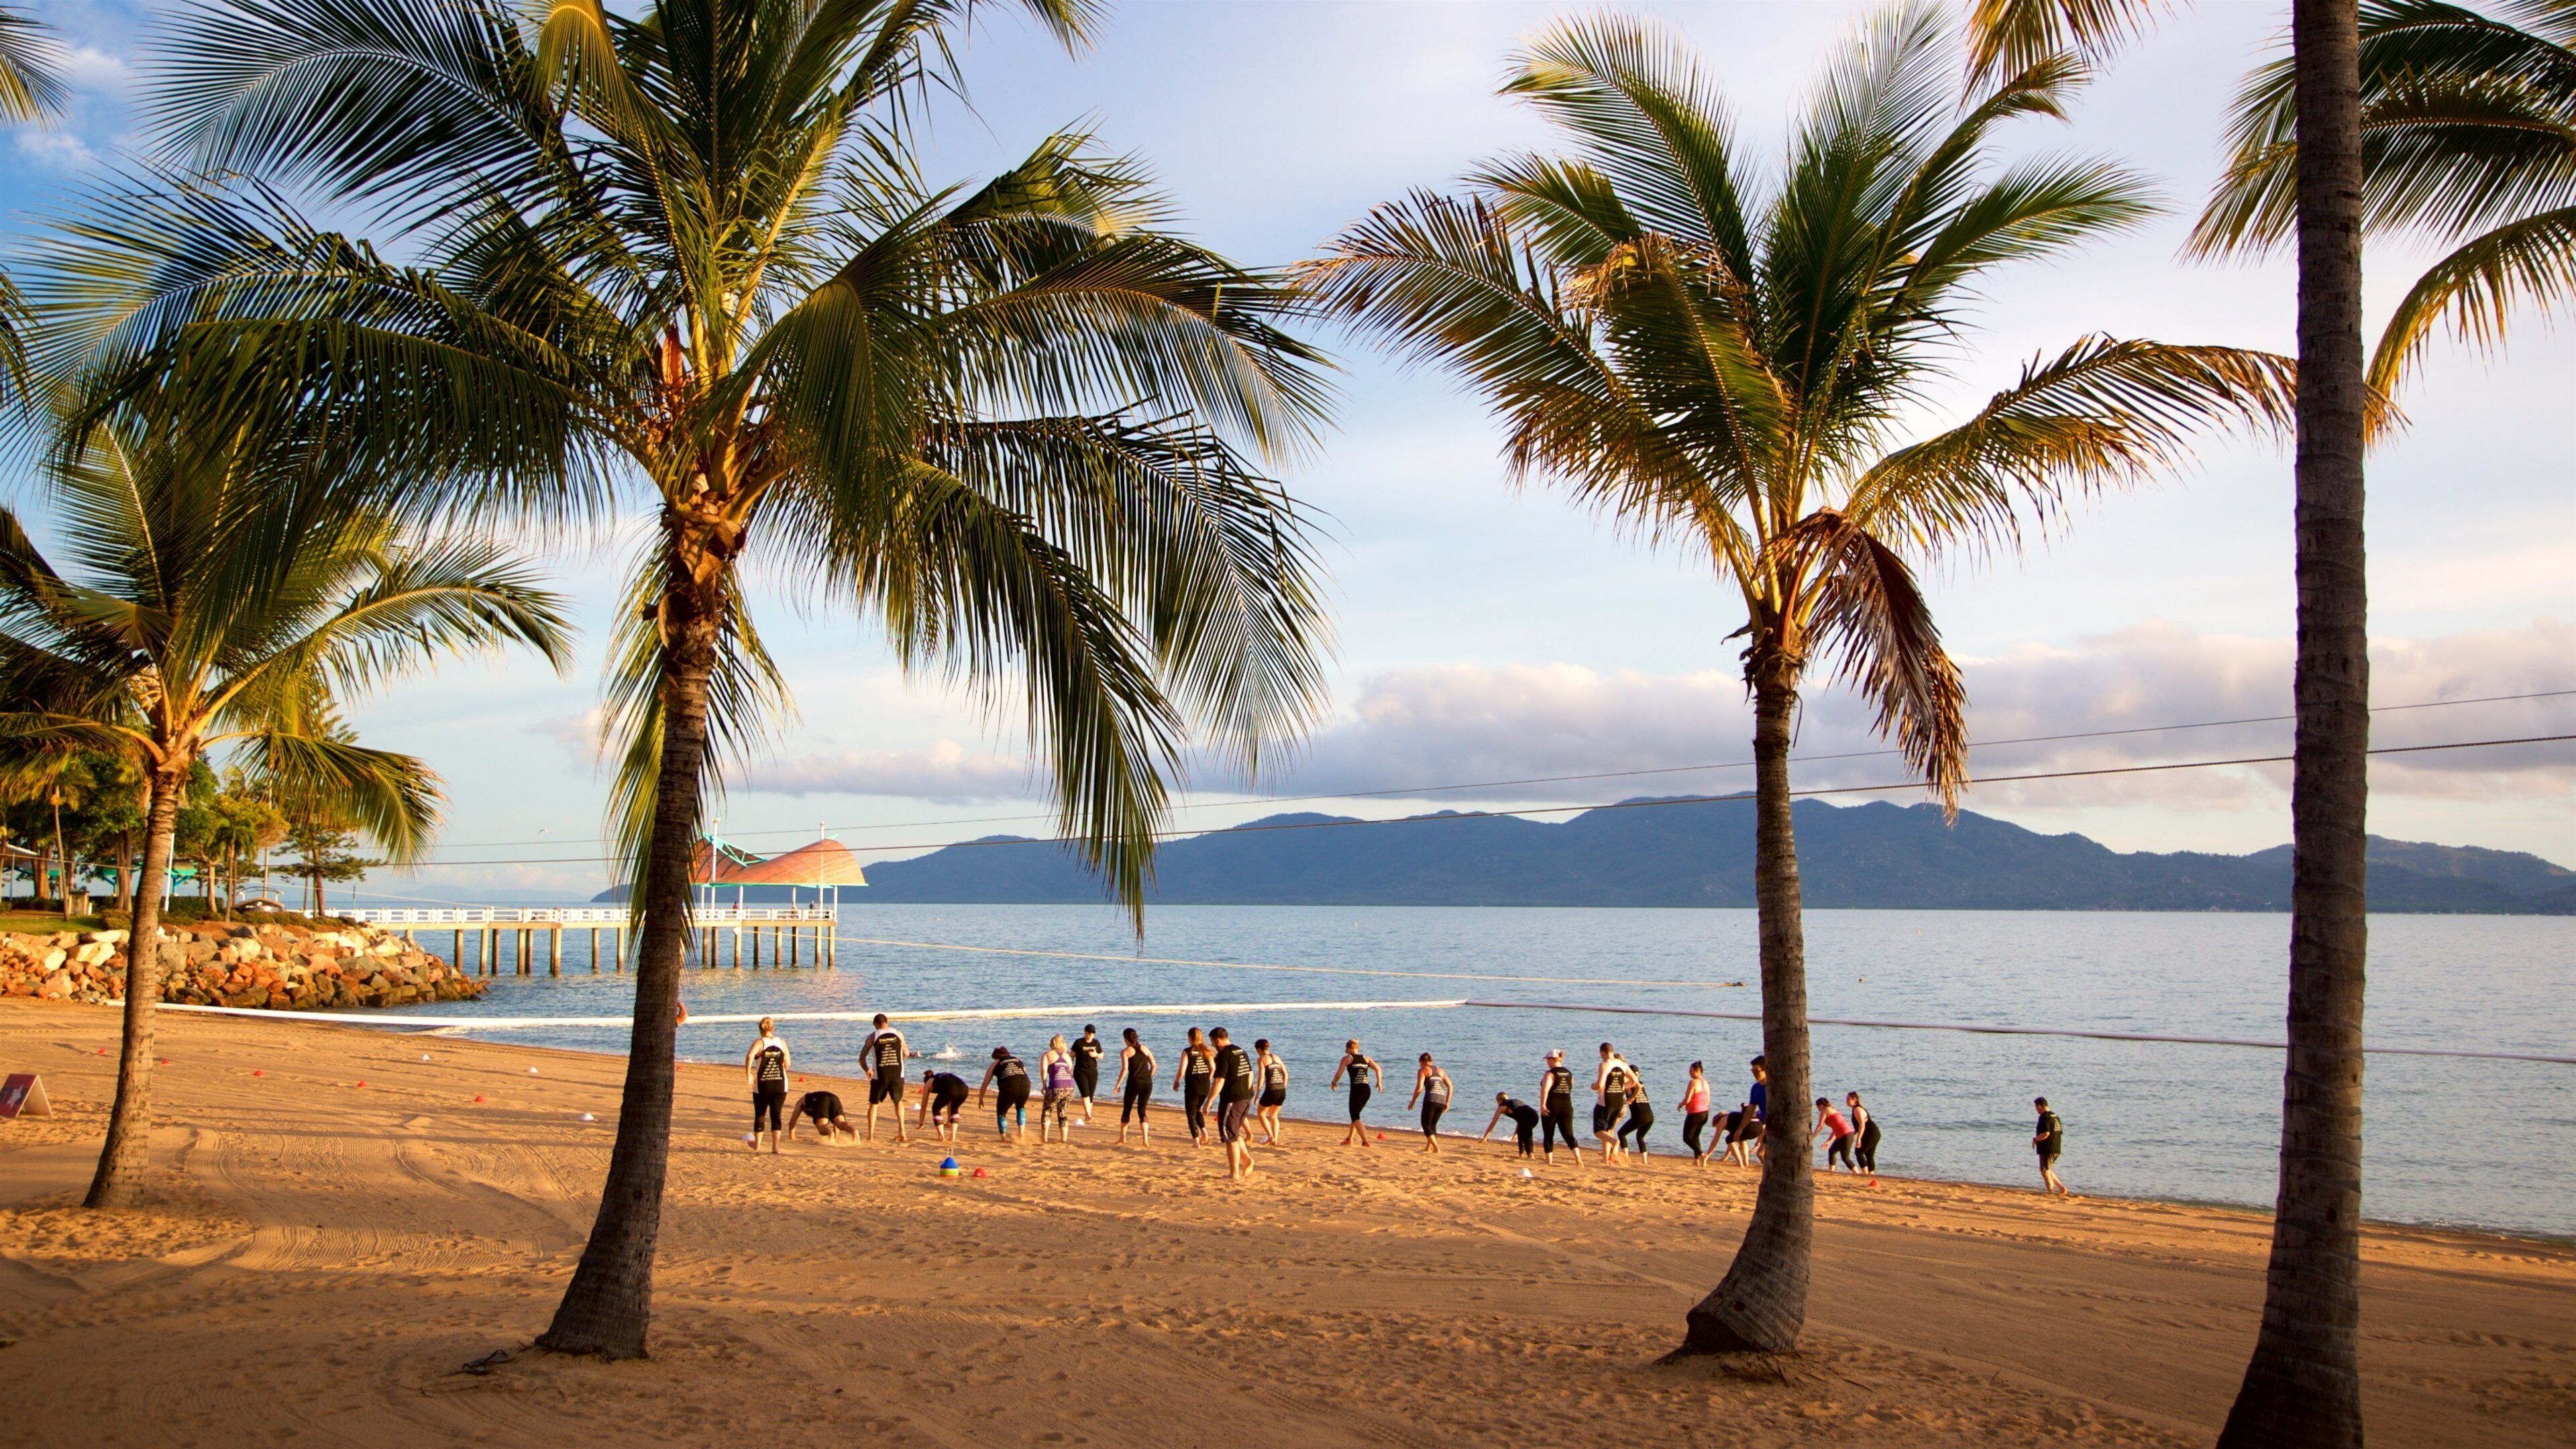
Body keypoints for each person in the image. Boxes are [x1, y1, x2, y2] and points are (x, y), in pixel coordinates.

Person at [1209, 1027, 1258, 1181]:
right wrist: (1249, 1092)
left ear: (1217, 1040)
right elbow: (1251, 1074)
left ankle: (1234, 1174)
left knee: (1229, 1136)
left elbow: (1219, 1080)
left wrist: (1209, 1101)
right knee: (1234, 1132)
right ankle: (1247, 1159)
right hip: (1245, 1097)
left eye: (1212, 1042)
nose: (1213, 1046)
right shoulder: (1241, 1051)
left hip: (1232, 1099)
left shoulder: (1225, 1055)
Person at [859, 1013, 915, 1144]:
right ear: (887, 1022)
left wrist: (867, 1070)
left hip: (880, 1075)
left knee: (874, 1105)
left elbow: (862, 1058)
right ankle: (903, 1132)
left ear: (875, 1025)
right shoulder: (898, 1034)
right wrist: (898, 1061)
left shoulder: (872, 1037)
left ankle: (871, 1136)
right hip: (898, 1074)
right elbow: (906, 1053)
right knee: (898, 1102)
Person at [743, 1018, 789, 1153]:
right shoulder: (782, 1043)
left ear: (760, 1029)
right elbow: (788, 1064)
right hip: (781, 1084)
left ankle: (757, 1145)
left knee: (760, 1114)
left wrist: (748, 1074)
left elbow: (750, 1056)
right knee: (776, 1115)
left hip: (763, 1084)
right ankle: (776, 1147)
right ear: (773, 1029)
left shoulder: (759, 1042)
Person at [1329, 1039, 1381, 1146]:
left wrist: (1334, 1083)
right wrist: (1379, 1082)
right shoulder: (1366, 1058)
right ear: (1357, 1048)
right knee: (1355, 1114)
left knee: (1355, 1116)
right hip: (1367, 1090)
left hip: (1356, 1090)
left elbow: (1339, 1074)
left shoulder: (1347, 1058)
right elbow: (1378, 1069)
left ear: (1348, 1049)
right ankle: (1349, 1139)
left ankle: (1365, 1141)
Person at [1538, 1050, 1584, 1165]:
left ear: (1552, 1059)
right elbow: (1570, 1087)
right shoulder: (1569, 1073)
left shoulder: (1550, 1074)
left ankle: (1549, 1161)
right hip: (1567, 1107)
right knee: (1568, 1134)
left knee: (1548, 1134)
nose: (1547, 1062)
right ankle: (1577, 1157)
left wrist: (1543, 1105)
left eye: (1548, 1059)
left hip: (1551, 1107)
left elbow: (1545, 1090)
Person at [979, 1046, 1032, 1143]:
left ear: (996, 1057)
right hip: (1026, 1084)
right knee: (1020, 1108)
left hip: (1009, 1086)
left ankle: (1003, 1139)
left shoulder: (995, 1063)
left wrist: (981, 1098)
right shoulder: (1018, 1060)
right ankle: (1021, 1134)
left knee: (1001, 1113)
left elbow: (985, 1083)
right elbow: (1025, 1073)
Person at [1173, 1026, 1216, 1146]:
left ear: (1190, 1038)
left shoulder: (1187, 1051)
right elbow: (1213, 1068)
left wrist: (1177, 1081)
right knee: (1197, 1110)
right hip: (1205, 1086)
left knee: (1191, 1114)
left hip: (1193, 1086)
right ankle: (1205, 1133)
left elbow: (1182, 1071)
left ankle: (1196, 1142)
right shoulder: (1207, 1051)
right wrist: (1208, 1079)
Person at [1114, 1027, 1157, 1145]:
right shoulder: (1145, 1048)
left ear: (1125, 1039)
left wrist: (1118, 1084)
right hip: (1147, 1083)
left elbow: (1125, 1069)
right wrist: (1149, 1077)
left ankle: (1123, 1137)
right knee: (1142, 1111)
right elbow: (1154, 1065)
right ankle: (1145, 1139)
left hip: (1134, 1083)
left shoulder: (1126, 1052)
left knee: (1127, 1109)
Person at [1593, 1044, 1635, 1160]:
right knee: (1607, 1131)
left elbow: (1599, 1085)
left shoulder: (1605, 1064)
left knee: (1598, 1131)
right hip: (1619, 1102)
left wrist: (1593, 1087)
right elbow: (1634, 1081)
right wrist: (1621, 1087)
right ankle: (1606, 1160)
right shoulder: (1622, 1064)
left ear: (1603, 1052)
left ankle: (1615, 1142)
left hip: (1605, 1102)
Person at [1407, 1052, 1454, 1153]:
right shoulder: (1440, 1071)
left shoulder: (1423, 1070)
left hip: (1431, 1100)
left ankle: (1436, 1148)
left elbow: (1419, 1088)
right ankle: (1429, 1147)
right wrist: (1448, 1102)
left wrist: (1413, 1101)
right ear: (1431, 1061)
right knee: (1433, 1125)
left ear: (1423, 1062)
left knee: (1425, 1124)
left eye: (1420, 1063)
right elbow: (1450, 1086)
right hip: (1441, 1100)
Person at [1038, 1034, 1079, 1144]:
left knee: (1047, 1110)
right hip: (1069, 1088)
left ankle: (1044, 1138)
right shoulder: (1067, 1057)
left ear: (1052, 1044)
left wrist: (1044, 1084)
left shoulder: (1047, 1055)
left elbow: (1043, 1070)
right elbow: (1071, 1072)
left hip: (1055, 1087)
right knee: (1063, 1113)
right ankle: (1064, 1139)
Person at [916, 1068, 972, 1142]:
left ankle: (941, 1137)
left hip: (951, 1089)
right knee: (954, 1108)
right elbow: (950, 1099)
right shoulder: (942, 1077)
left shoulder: (928, 1083)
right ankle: (953, 1137)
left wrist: (921, 1123)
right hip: (964, 1089)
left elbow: (924, 1106)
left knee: (936, 1109)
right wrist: (949, 1120)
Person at [1481, 1093, 1542, 1158]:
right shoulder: (1516, 1101)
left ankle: (1526, 1155)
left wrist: (1485, 1137)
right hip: (1535, 1115)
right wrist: (1516, 1133)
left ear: (1499, 1100)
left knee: (1522, 1134)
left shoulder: (1501, 1107)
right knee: (1525, 1133)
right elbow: (1520, 1117)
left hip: (1526, 1117)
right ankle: (1526, 1154)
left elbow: (1493, 1122)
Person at [1252, 1038, 1289, 1145]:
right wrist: (1284, 1086)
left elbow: (1261, 1078)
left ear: (1259, 1049)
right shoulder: (1277, 1057)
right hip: (1281, 1090)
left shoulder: (1262, 1059)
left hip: (1271, 1090)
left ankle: (1270, 1136)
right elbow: (1286, 1074)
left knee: (1261, 1114)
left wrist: (1257, 1094)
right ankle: (1275, 1140)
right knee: (1274, 1116)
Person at [786, 1087, 854, 1144]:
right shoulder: (811, 1101)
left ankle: (830, 1133)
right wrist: (836, 1139)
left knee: (822, 1127)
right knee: (840, 1123)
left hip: (823, 1099)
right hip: (835, 1098)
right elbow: (835, 1124)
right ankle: (854, 1132)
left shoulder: (801, 1103)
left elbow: (793, 1120)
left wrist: (792, 1137)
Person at [1678, 1061, 1714, 1165]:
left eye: (1691, 1071)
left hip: (1695, 1113)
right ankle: (1697, 1160)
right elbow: (1708, 1099)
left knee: (1687, 1137)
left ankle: (1702, 1155)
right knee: (1696, 1136)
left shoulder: (1693, 1082)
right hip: (1705, 1113)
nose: (1689, 1073)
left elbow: (1687, 1099)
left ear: (1697, 1071)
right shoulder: (1706, 1082)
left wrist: (1680, 1105)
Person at [1071, 1024, 1106, 1126]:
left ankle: (1088, 1115)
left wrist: (1096, 1055)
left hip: (1093, 1071)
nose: (1091, 1035)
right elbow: (1071, 1056)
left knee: (1091, 1094)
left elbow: (1101, 1056)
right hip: (1080, 1070)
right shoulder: (1079, 1042)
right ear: (1085, 1032)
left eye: (1092, 1033)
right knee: (1085, 1092)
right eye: (1089, 1033)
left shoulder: (1096, 1043)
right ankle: (1088, 1114)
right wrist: (1070, 1069)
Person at [2034, 1097, 2069, 1196]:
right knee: (2046, 1169)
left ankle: (2051, 1193)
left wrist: (2035, 1139)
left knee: (2045, 1172)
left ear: (2040, 1106)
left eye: (2036, 1107)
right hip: (2056, 1148)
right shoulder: (2055, 1116)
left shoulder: (2044, 1117)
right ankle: (2062, 1188)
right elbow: (2059, 1132)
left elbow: (2046, 1133)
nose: (2036, 1110)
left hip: (2047, 1149)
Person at [1617, 1075, 1654, 1163]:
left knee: (1621, 1134)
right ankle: (1645, 1162)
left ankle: (1626, 1158)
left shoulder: (1630, 1086)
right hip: (1650, 1117)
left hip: (1640, 1117)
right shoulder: (1640, 1084)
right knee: (1640, 1137)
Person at [1815, 1095, 1857, 1172]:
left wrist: (1812, 1137)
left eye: (1818, 1107)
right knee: (1832, 1151)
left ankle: (1858, 1175)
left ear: (1821, 1105)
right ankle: (1832, 1172)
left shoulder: (1825, 1110)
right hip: (1842, 1136)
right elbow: (1836, 1129)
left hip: (1846, 1136)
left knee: (1845, 1158)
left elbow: (1820, 1126)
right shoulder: (1832, 1109)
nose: (1818, 1110)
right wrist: (1829, 1141)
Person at [1847, 1091, 1880, 1177]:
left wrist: (1858, 1139)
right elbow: (1859, 1126)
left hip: (1872, 1133)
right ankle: (1870, 1175)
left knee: (1859, 1152)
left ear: (1854, 1100)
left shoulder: (1857, 1109)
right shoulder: (1855, 1109)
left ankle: (1865, 1175)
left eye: (1848, 1099)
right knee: (1869, 1155)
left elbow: (1862, 1125)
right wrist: (1853, 1133)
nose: (1846, 1101)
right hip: (1871, 1133)